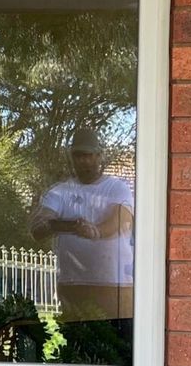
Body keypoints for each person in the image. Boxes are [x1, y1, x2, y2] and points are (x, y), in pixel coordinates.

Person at [29, 127, 134, 325]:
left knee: (117, 346)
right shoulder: (60, 192)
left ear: (99, 156)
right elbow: (38, 227)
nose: (83, 161)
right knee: (76, 349)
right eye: (78, 155)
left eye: (88, 155)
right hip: (72, 285)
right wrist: (67, 225)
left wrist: (96, 232)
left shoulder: (117, 187)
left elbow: (120, 220)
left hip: (114, 285)